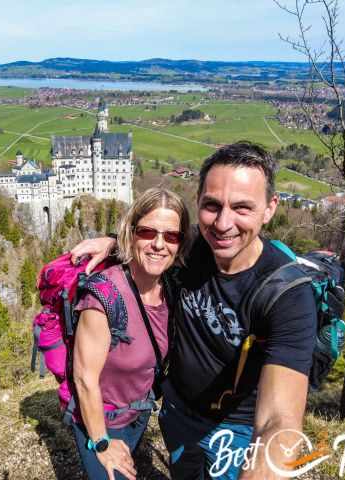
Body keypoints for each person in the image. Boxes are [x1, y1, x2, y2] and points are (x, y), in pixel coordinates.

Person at [70, 142, 317, 479]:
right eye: (212, 206)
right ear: (199, 201)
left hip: (237, 430)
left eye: (242, 207)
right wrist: (115, 243)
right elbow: (156, 245)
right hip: (177, 413)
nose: (223, 223)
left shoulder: (287, 295)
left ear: (270, 208)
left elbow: (279, 420)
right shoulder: (195, 248)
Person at [71, 187, 191, 480]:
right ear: (131, 233)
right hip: (101, 419)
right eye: (148, 232)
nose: (159, 244)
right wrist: (101, 442)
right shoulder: (105, 296)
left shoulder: (173, 287)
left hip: (139, 413)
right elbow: (84, 378)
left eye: (171, 236)